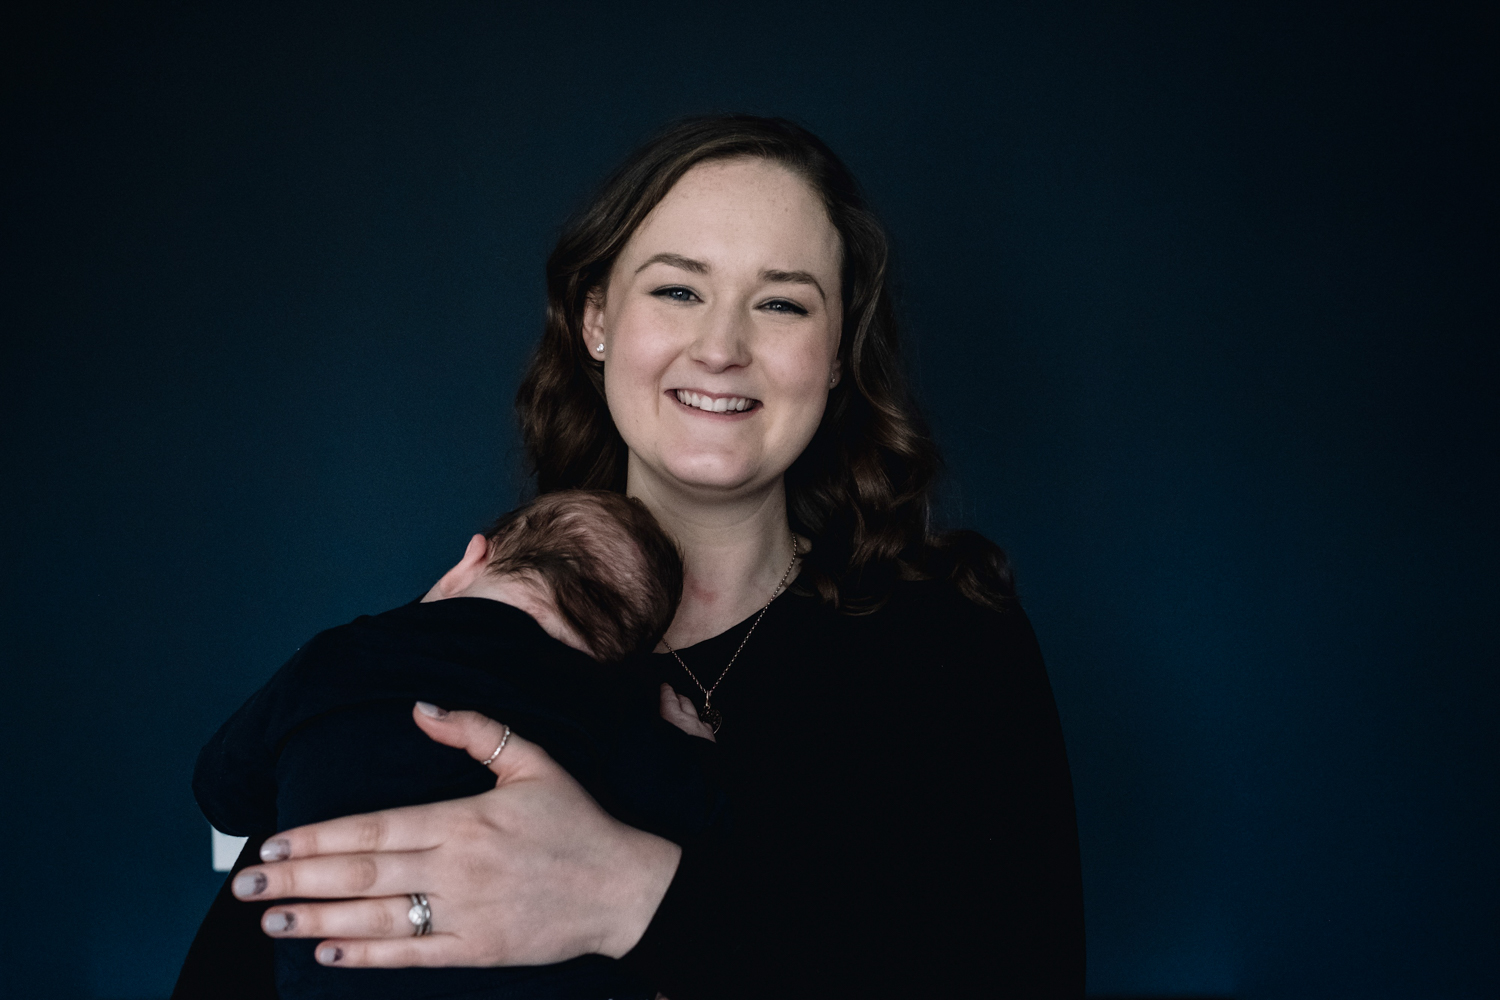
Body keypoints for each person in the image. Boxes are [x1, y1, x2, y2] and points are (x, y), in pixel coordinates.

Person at [213, 114, 1086, 998]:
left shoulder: (949, 642)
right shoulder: (469, 636)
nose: (720, 347)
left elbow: (1023, 976)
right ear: (597, 320)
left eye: (781, 302)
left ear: (835, 356)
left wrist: (630, 894)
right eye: (678, 290)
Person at [177, 491, 724, 999]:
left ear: (472, 560)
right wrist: (693, 747)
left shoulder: (340, 654)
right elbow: (685, 806)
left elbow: (222, 792)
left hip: (332, 970)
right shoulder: (609, 705)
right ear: (623, 656)